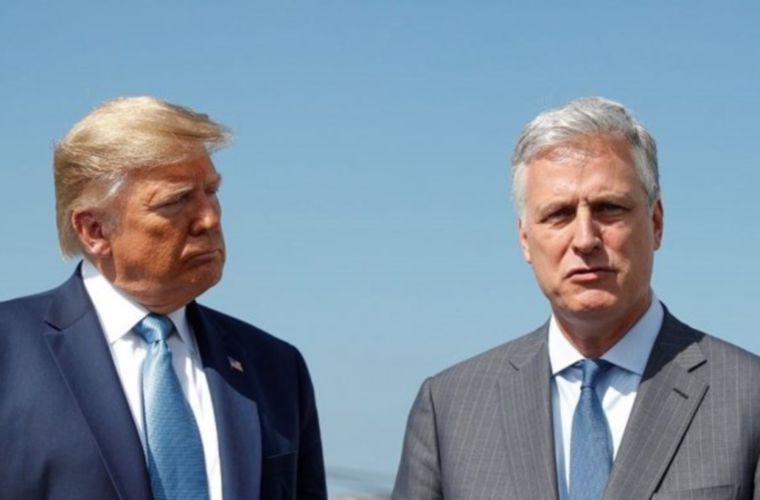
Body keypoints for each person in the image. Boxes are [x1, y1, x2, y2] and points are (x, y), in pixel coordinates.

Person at [393, 97, 760, 499]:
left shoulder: (748, 397)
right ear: (525, 239)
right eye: (558, 214)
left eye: (609, 208)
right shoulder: (450, 409)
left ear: (656, 223)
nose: (585, 239)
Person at [0, 96, 327, 500]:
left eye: (211, 191)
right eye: (176, 201)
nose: (210, 218)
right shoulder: (9, 352)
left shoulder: (275, 367)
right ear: (94, 230)